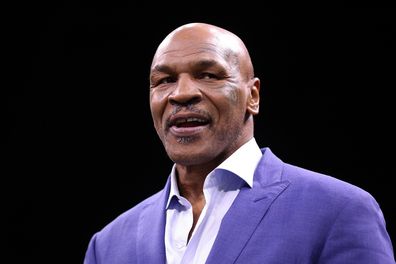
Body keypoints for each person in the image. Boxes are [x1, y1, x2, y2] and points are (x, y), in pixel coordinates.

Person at [84, 22, 395, 263]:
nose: (180, 93)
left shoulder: (339, 211)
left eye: (207, 74)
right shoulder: (108, 244)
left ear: (253, 96)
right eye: (164, 80)